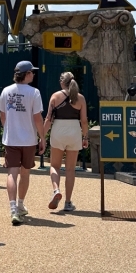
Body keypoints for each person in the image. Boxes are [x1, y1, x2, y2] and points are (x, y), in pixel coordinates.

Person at [0, 60, 45, 226]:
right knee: (25, 174)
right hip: (28, 139)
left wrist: (9, 129)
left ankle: (13, 209)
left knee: (12, 173)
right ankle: (21, 204)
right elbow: (37, 118)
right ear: (27, 74)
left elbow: (2, 115)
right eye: (32, 72)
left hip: (11, 139)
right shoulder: (34, 93)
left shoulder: (6, 91)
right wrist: (43, 137)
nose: (34, 74)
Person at [44, 71, 88, 212]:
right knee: (70, 169)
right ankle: (68, 203)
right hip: (74, 131)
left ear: (62, 82)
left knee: (55, 166)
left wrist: (42, 137)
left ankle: (56, 190)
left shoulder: (55, 96)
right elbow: (84, 121)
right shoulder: (80, 98)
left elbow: (48, 119)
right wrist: (85, 137)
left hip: (58, 130)